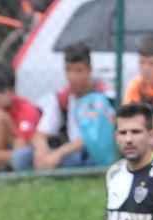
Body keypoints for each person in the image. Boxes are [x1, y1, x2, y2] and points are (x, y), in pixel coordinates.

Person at [29, 42, 112, 170]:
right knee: (22, 157)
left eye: (78, 71)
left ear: (89, 70)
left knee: (77, 158)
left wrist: (58, 154)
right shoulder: (63, 98)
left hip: (92, 150)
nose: (73, 76)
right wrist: (42, 151)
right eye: (68, 70)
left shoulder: (103, 96)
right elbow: (40, 134)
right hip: (69, 150)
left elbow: (90, 138)